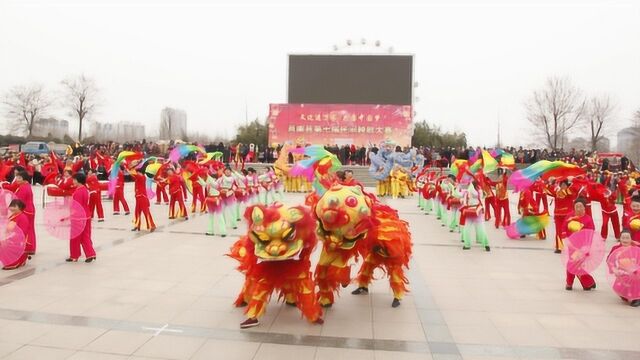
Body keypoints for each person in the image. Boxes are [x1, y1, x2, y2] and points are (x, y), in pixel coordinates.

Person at [562, 198, 596, 291]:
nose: (578, 208)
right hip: (571, 245)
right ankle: (570, 283)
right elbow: (564, 227)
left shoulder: (588, 219)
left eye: (581, 206)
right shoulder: (570, 216)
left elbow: (591, 233)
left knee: (577, 264)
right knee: (572, 263)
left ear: (584, 208)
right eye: (577, 206)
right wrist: (565, 237)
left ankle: (587, 282)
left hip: (582, 246)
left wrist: (587, 246)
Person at [5, 170, 36, 255]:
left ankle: (28, 247)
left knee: (26, 229)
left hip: (25, 210)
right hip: (29, 209)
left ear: (25, 178)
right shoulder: (25, 185)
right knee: (30, 228)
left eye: (19, 178)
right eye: (17, 177)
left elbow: (19, 201)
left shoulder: (23, 188)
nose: (17, 179)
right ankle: (31, 247)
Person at [67, 173, 96, 263]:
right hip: (86, 215)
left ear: (77, 180)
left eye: (74, 179)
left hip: (78, 217)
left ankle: (74, 255)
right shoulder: (84, 189)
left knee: (75, 237)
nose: (73, 181)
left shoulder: (78, 191)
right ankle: (90, 254)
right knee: (85, 236)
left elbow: (77, 206)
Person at [607, 229, 640, 307]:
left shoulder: (636, 247)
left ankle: (636, 298)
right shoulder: (615, 248)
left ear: (631, 239)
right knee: (623, 295)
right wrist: (614, 269)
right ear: (620, 238)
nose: (625, 240)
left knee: (635, 280)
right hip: (622, 272)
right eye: (623, 238)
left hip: (635, 271)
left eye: (627, 238)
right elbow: (609, 260)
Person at [460, 181, 490, 251]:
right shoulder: (479, 191)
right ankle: (486, 244)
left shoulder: (469, 191)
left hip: (469, 211)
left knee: (467, 228)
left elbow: (464, 202)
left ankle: (467, 245)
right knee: (481, 228)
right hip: (478, 211)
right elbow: (484, 195)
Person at [1, 199, 30, 270]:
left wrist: (10, 238)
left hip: (18, 239)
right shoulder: (13, 216)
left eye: (14, 206)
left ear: (20, 207)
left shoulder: (22, 217)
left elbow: (23, 232)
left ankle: (14, 261)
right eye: (11, 206)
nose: (12, 208)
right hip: (11, 236)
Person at [131, 167, 156, 232]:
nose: (136, 173)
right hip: (138, 197)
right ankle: (137, 225)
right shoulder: (138, 178)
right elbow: (133, 175)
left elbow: (132, 173)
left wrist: (127, 167)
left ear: (140, 173)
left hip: (142, 197)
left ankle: (152, 225)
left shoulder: (141, 177)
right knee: (137, 212)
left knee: (146, 212)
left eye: (137, 172)